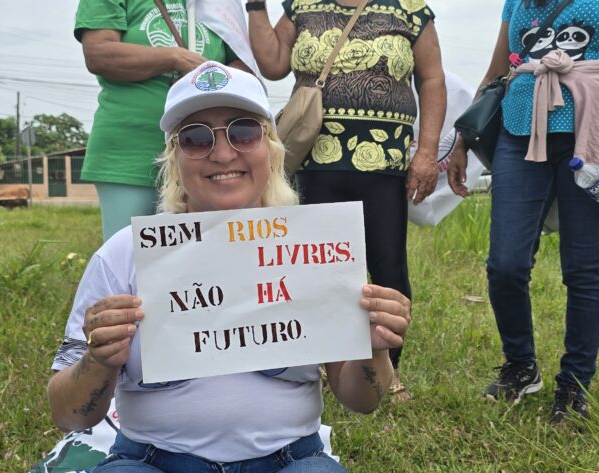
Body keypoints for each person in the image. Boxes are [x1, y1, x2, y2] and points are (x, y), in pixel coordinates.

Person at [47, 61, 411, 472]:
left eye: (243, 132)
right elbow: (68, 415)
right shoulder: (123, 255)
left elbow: (361, 401)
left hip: (290, 460)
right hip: (152, 461)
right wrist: (98, 360)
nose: (222, 153)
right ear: (174, 157)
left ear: (270, 147)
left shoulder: (316, 248)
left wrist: (373, 349)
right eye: (196, 138)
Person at [447, 0, 599, 423]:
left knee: (583, 267)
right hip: (518, 132)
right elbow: (496, 73)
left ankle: (574, 383)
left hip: (594, 133)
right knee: (505, 263)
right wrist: (461, 142)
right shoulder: (518, 3)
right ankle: (521, 366)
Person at [245, 0, 446, 402]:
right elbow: (272, 63)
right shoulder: (302, 5)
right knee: (320, 265)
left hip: (385, 162)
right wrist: (254, 6)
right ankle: (327, 363)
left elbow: (433, 80)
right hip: (315, 160)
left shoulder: (409, 8)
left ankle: (388, 367)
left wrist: (426, 151)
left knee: (387, 265)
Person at [75, 0, 257, 241]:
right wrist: (176, 58)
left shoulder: (221, 3)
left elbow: (243, 65)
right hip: (130, 153)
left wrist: (208, 77)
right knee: (131, 256)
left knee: (208, 256)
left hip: (207, 155)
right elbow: (99, 53)